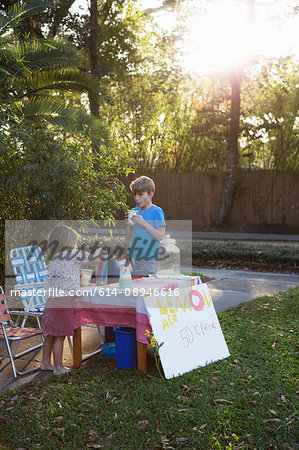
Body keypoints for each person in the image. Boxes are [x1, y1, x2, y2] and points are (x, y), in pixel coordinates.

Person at [40, 224, 101, 375]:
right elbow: (95, 259)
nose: (75, 243)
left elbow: (48, 281)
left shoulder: (55, 258)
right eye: (73, 241)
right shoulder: (73, 254)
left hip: (51, 301)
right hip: (63, 301)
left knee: (51, 334)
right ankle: (59, 367)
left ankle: (45, 363)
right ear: (68, 242)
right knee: (60, 335)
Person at [126, 176, 165, 275]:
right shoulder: (135, 211)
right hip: (134, 257)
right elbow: (128, 237)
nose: (136, 198)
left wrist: (144, 223)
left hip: (148, 258)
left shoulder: (156, 212)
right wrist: (128, 224)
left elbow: (160, 235)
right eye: (135, 194)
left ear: (150, 194)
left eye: (140, 194)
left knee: (146, 287)